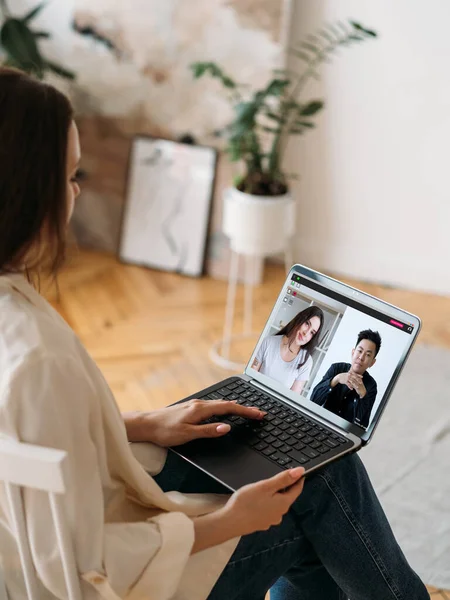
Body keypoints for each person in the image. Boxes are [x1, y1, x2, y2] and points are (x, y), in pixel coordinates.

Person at [0, 67, 429, 600]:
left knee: (297, 462)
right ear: (26, 193)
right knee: (321, 479)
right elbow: (91, 566)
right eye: (68, 175)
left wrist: (145, 423)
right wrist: (234, 519)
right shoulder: (38, 360)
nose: (77, 191)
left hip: (70, 520)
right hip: (123, 580)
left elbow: (42, 445)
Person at [310, 329, 381, 428]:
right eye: (359, 351)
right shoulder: (336, 368)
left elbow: (361, 426)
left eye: (368, 355)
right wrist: (336, 380)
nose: (361, 357)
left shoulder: (371, 385)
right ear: (353, 352)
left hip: (345, 434)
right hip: (321, 424)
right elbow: (313, 401)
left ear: (372, 363)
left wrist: (363, 395)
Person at [251, 306, 324, 394]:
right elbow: (251, 376)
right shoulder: (268, 342)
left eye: (312, 332)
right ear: (299, 318)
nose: (306, 333)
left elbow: (293, 397)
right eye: (307, 323)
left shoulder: (306, 362)